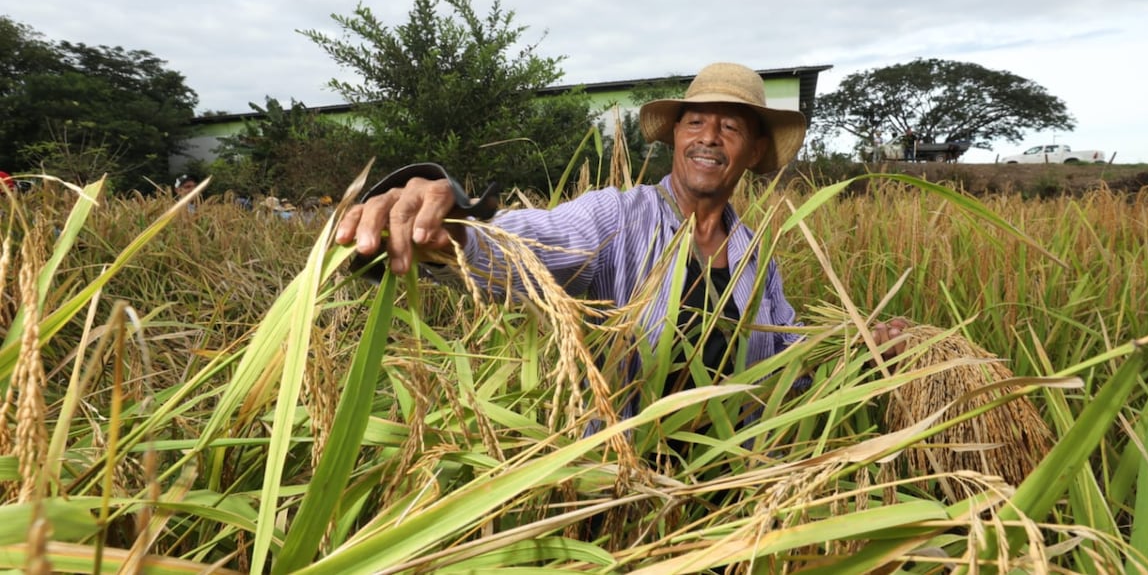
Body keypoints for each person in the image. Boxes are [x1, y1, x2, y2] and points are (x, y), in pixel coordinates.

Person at [336, 62, 907, 415]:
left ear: (754, 151)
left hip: (737, 497)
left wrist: (854, 351)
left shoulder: (756, 255)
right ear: (674, 138)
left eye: (730, 126)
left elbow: (786, 359)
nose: (709, 138)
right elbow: (534, 243)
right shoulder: (619, 218)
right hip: (629, 496)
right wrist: (454, 228)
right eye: (695, 122)